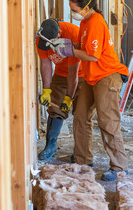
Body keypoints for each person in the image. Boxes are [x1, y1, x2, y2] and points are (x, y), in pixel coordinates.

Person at [47, 0, 129, 181]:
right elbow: (84, 48)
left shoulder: (95, 22)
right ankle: (83, 160)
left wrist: (69, 51)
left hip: (107, 76)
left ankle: (119, 167)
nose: (72, 13)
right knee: (80, 116)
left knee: (108, 122)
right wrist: (67, 45)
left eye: (74, 9)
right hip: (93, 78)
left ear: (85, 7)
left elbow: (93, 55)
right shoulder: (84, 22)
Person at [36, 18, 85, 162]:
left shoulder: (72, 33)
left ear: (58, 36)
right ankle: (50, 147)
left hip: (82, 75)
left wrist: (68, 98)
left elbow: (73, 73)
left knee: (81, 114)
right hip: (60, 74)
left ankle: (81, 154)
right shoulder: (41, 39)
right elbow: (45, 64)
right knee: (55, 109)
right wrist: (46, 90)